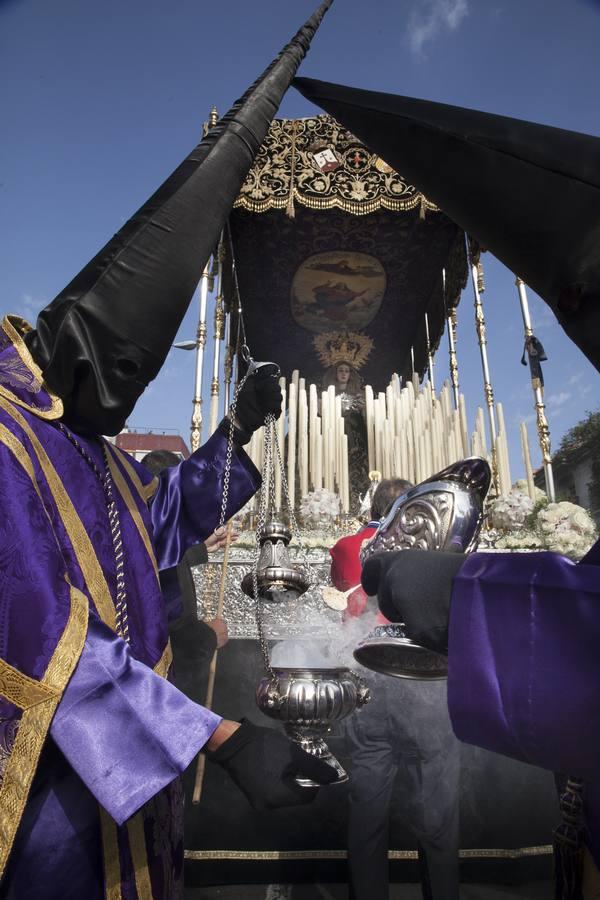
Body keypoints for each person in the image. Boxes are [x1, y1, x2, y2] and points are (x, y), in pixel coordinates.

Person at [0, 9, 338, 895]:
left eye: (142, 374)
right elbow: (49, 643)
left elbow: (155, 527)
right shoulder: (6, 440)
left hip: (137, 793)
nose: (129, 390)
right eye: (121, 366)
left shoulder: (87, 439)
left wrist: (238, 432)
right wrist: (218, 739)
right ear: (72, 329)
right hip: (51, 797)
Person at [294, 76, 600, 891]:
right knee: (433, 807)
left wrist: (453, 591)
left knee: (402, 802)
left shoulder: (367, 543)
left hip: (396, 682)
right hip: (404, 686)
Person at [331, 479, 460, 900]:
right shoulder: (443, 550)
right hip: (426, 686)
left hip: (370, 685)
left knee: (368, 810)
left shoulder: (351, 545)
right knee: (437, 808)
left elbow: (339, 586)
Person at [141, 448, 233, 700]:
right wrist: (209, 637)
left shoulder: (142, 529)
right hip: (160, 690)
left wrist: (204, 548)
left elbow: (170, 556)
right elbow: (172, 634)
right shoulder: (151, 538)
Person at [322, 360, 369, 507]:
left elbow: (365, 416)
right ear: (336, 374)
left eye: (346, 371)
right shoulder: (327, 393)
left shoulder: (359, 395)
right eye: (341, 370)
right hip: (333, 432)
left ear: (350, 375)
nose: (343, 373)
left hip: (355, 436)